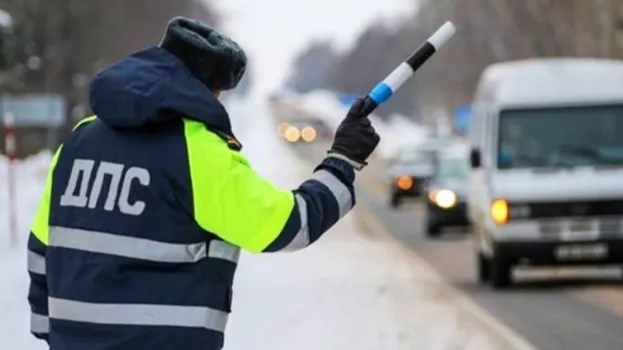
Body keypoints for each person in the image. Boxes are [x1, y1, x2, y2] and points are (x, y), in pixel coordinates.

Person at [26, 16, 380, 350]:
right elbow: (287, 224)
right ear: (207, 90)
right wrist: (343, 162)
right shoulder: (197, 150)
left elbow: (41, 246)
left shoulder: (79, 141)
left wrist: (51, 332)